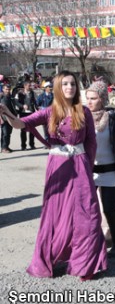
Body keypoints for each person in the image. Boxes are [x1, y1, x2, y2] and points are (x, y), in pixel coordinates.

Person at [0, 71, 107, 280]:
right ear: (58, 87)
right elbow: (21, 124)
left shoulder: (83, 111)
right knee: (56, 215)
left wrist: (87, 164)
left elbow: (91, 142)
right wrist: (6, 113)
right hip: (58, 168)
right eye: (65, 84)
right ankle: (53, 258)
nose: (70, 87)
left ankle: (84, 264)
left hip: (80, 167)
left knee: (88, 214)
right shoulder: (50, 111)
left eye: (73, 84)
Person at [86, 81, 115, 258]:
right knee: (90, 208)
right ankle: (91, 241)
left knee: (108, 208)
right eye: (88, 98)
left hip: (111, 172)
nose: (89, 102)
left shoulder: (112, 117)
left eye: (94, 98)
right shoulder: (84, 116)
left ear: (103, 98)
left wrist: (114, 148)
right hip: (90, 171)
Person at [15, 80, 37, 150]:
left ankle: (32, 145)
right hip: (23, 113)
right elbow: (16, 102)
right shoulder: (19, 93)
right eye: (29, 85)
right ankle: (23, 146)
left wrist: (37, 109)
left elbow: (35, 102)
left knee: (32, 129)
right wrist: (22, 106)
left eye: (30, 85)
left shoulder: (32, 93)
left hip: (31, 113)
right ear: (25, 86)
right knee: (23, 130)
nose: (30, 86)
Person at [0, 83, 15, 153]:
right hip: (3, 118)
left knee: (9, 133)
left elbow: (13, 107)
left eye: (9, 89)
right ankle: (3, 148)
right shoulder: (1, 97)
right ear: (3, 89)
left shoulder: (11, 97)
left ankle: (6, 146)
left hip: (10, 118)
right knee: (5, 133)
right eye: (6, 89)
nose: (8, 91)